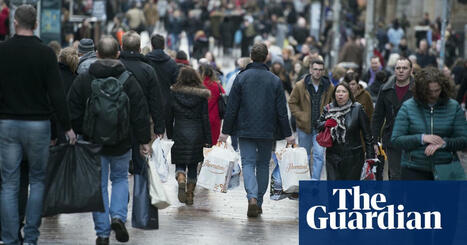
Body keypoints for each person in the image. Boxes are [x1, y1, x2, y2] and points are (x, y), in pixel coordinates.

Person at [0, 5, 76, 245]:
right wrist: (66, 127)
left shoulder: (2, 51)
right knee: (38, 180)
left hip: (8, 122)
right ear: (35, 24)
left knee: (9, 183)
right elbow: (56, 95)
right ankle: (31, 237)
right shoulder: (45, 54)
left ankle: (10, 237)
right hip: (38, 125)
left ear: (14, 23)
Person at [68, 36, 151, 245]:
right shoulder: (128, 80)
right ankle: (118, 217)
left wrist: (80, 133)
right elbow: (140, 113)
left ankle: (102, 233)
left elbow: (73, 109)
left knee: (99, 185)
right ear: (118, 54)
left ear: (96, 54)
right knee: (120, 178)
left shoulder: (84, 78)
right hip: (122, 141)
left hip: (93, 141)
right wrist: (143, 140)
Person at [219, 43, 294, 217]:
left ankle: (251, 197)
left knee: (248, 163)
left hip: (245, 129)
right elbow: (281, 111)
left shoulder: (241, 78)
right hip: (268, 131)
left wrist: (225, 131)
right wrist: (288, 134)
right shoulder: (274, 80)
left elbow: (232, 108)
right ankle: (258, 201)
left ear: (251, 57)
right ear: (266, 57)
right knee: (262, 164)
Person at [391, 67, 467, 180]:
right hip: (414, 168)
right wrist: (422, 138)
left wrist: (444, 143)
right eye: (429, 91)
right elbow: (396, 140)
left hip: (446, 167)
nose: (434, 94)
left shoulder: (453, 107)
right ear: (421, 90)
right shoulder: (408, 107)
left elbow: (464, 140)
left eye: (437, 90)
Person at [119, 31, 165, 177]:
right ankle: (139, 197)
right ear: (140, 48)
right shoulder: (148, 70)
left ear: (122, 47)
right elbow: (156, 101)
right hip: (141, 122)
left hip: (117, 121)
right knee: (140, 165)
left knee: (118, 170)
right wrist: (159, 127)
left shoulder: (116, 67)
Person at [166, 66, 212, 206]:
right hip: (197, 132)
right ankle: (190, 194)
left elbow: (169, 116)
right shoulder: (202, 96)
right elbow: (205, 117)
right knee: (193, 165)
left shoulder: (174, 93)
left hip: (179, 130)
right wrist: (208, 139)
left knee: (180, 161)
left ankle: (181, 179)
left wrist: (170, 133)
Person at [318, 83, 375, 180]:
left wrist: (370, 157)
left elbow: (367, 134)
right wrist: (325, 123)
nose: (340, 94)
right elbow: (318, 125)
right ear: (334, 94)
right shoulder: (328, 109)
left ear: (349, 94)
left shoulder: (357, 109)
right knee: (334, 189)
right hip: (333, 156)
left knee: (350, 189)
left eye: (344, 91)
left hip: (354, 157)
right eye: (338, 91)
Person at [288, 59, 334, 180]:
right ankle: (306, 180)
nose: (317, 72)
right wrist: (301, 116)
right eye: (315, 69)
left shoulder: (329, 87)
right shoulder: (300, 85)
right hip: (304, 126)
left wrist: (328, 118)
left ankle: (315, 183)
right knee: (305, 156)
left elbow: (333, 104)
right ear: (310, 70)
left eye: (320, 70)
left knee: (319, 155)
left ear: (323, 71)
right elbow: (292, 102)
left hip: (321, 127)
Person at [372, 57, 414, 180]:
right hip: (392, 137)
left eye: (404, 68)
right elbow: (377, 116)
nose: (401, 71)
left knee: (412, 175)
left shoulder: (418, 90)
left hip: (413, 138)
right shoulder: (385, 89)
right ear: (394, 70)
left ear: (411, 70)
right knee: (395, 175)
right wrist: (374, 140)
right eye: (398, 68)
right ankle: (397, 199)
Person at [146, 34, 179, 130]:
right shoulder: (172, 63)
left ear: (152, 46)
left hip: (149, 103)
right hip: (167, 103)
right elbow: (176, 84)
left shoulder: (145, 61)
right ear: (164, 46)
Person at [199, 64, 225, 144]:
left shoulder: (198, 86)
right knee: (213, 146)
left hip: (200, 119)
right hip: (215, 119)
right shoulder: (218, 86)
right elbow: (223, 96)